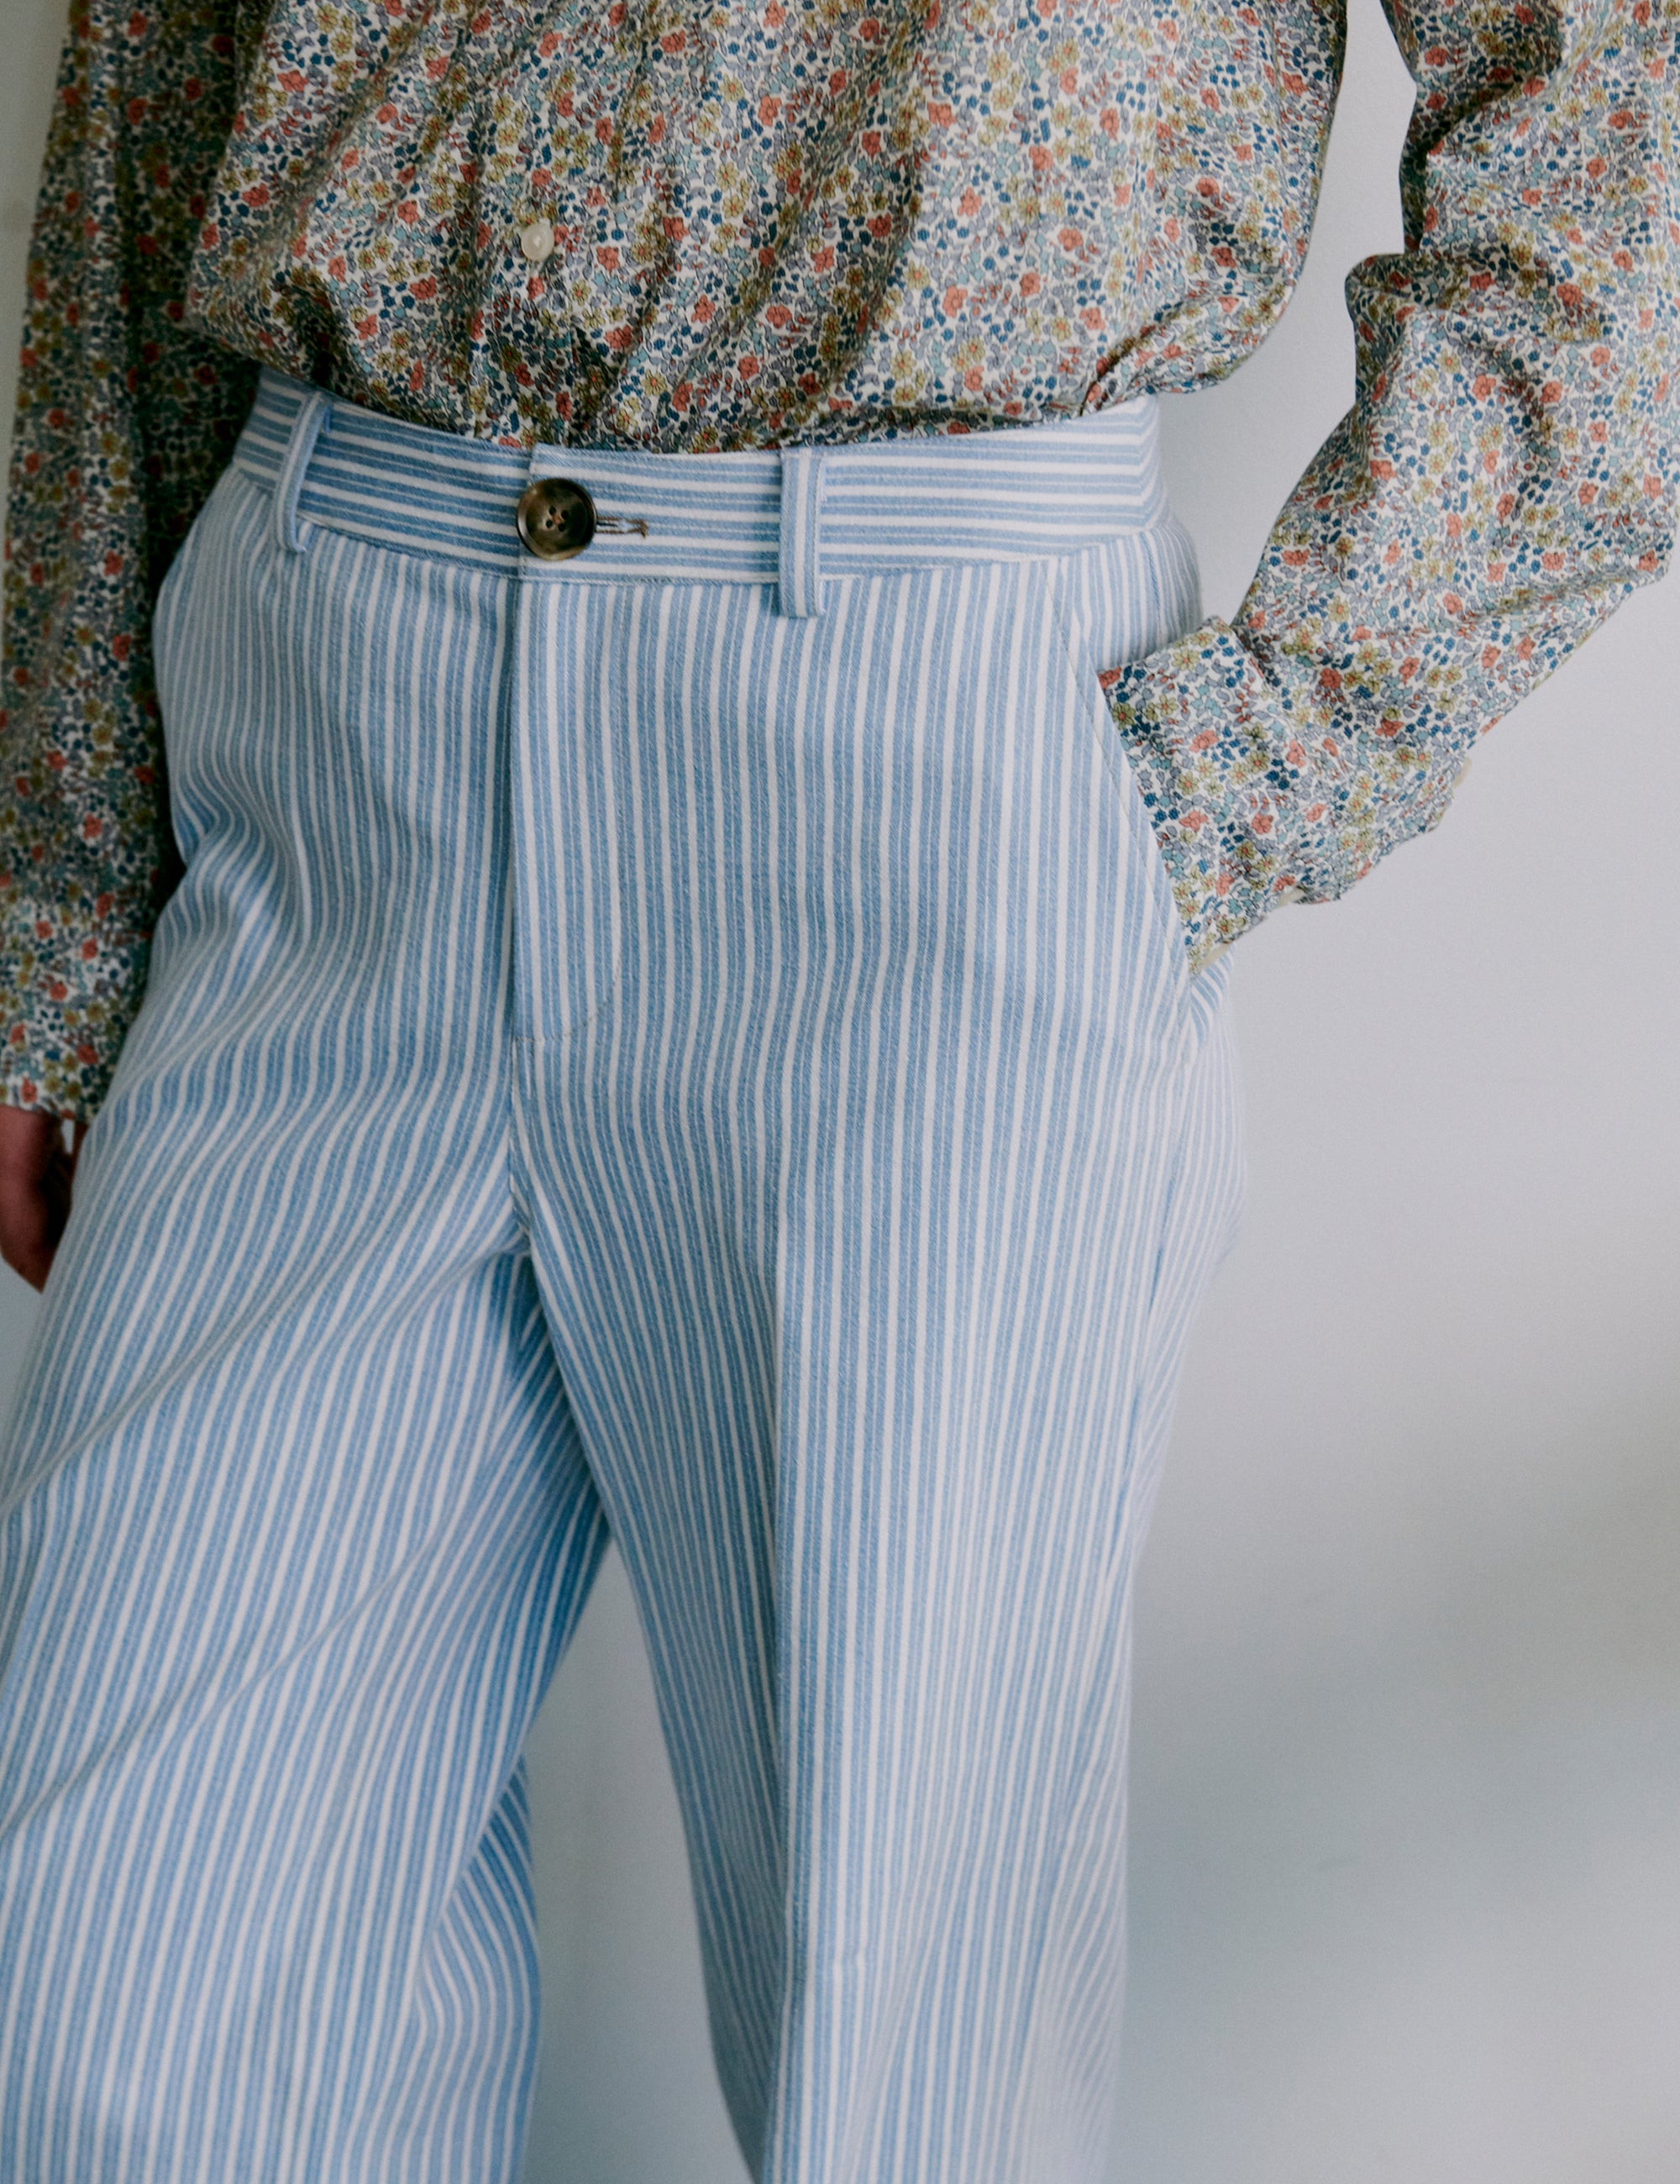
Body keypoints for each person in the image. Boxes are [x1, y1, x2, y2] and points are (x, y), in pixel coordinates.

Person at [0, 0, 1672, 2176]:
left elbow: (1614, 125)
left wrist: (1238, 775)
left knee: (909, 2081)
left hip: (926, 765)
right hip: (326, 745)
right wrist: (62, 879)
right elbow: (145, 96)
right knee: (91, 2009)